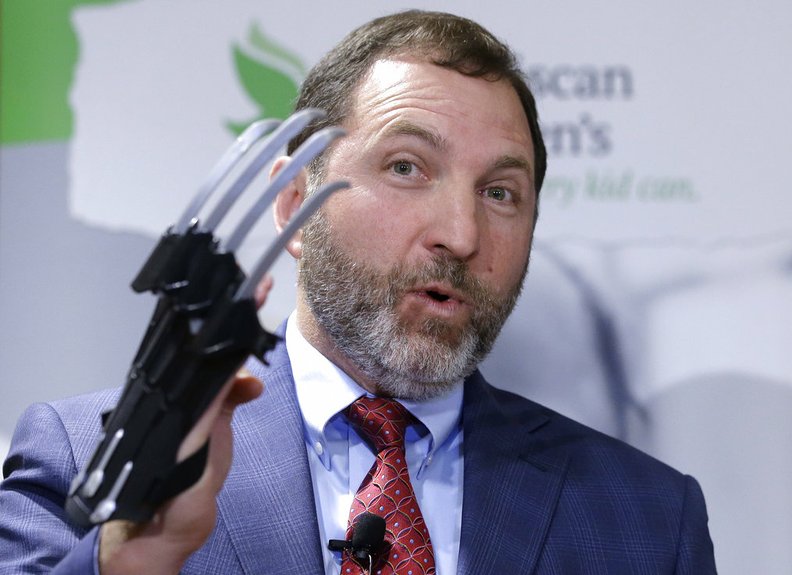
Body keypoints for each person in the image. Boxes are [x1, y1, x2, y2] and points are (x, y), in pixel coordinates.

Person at [0, 10, 716, 574]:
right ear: (293, 205)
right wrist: (132, 560)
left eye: (501, 192)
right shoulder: (83, 461)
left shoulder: (648, 517)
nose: (461, 233)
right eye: (407, 167)